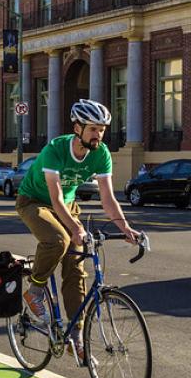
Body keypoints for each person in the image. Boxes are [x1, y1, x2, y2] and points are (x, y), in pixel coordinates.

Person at [15, 99, 142, 363]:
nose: (99, 135)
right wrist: (75, 229)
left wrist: (126, 227)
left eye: (102, 129)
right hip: (35, 201)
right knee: (58, 240)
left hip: (67, 206)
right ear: (78, 127)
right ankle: (35, 289)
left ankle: (76, 333)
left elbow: (107, 199)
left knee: (76, 267)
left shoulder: (101, 153)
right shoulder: (56, 150)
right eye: (93, 129)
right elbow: (55, 196)